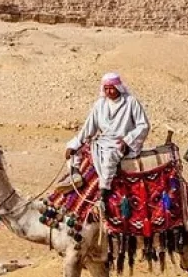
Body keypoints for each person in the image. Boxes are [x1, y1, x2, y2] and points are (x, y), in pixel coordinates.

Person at [55, 72, 150, 201]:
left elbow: (143, 125)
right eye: (106, 88)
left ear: (119, 87)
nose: (109, 91)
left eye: (112, 88)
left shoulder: (131, 102)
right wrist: (76, 144)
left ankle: (103, 194)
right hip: (103, 140)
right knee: (73, 147)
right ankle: (75, 174)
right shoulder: (100, 104)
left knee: (109, 157)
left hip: (121, 143)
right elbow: (89, 127)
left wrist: (127, 141)